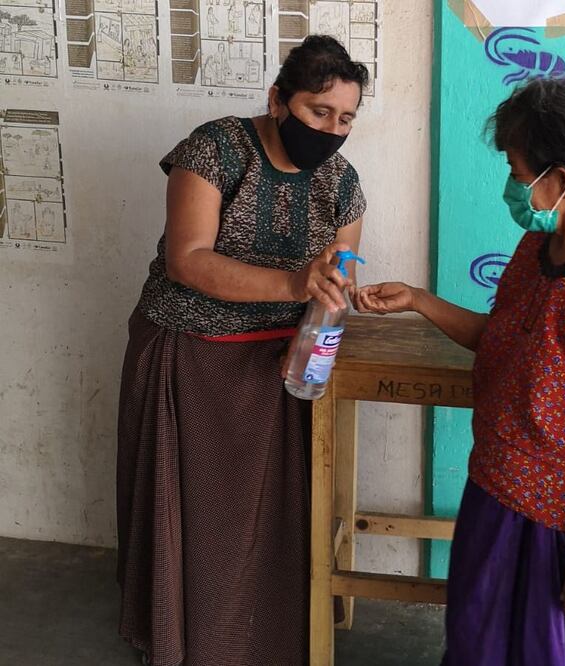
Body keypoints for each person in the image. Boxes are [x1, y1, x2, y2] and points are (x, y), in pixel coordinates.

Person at [357, 77, 565, 665]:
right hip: (498, 494)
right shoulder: (536, 250)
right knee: (483, 647)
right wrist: (420, 300)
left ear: (560, 181)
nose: (510, 183)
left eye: (516, 168)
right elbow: (502, 341)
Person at [117, 35, 368, 666]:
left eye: (345, 118)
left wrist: (322, 330)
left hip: (283, 369)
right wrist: (291, 282)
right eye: (318, 111)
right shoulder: (216, 148)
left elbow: (337, 280)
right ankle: (186, 641)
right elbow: (187, 260)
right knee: (200, 522)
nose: (332, 130)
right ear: (278, 99)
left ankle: (266, 640)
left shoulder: (341, 182)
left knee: (268, 522)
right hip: (192, 358)